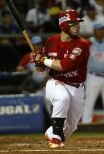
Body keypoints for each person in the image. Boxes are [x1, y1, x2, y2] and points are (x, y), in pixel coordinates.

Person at [32, 9, 89, 148]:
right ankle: (55, 138)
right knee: (62, 98)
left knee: (71, 126)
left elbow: (65, 66)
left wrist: (43, 60)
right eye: (73, 23)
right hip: (56, 82)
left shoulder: (81, 44)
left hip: (77, 87)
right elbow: (44, 63)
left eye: (77, 23)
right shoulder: (51, 41)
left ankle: (51, 132)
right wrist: (40, 64)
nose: (77, 26)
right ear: (64, 25)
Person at [16, 36, 51, 118]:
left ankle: (54, 124)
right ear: (32, 45)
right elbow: (19, 69)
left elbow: (52, 70)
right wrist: (28, 72)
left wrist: (46, 80)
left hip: (47, 86)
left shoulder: (46, 55)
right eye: (36, 45)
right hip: (35, 87)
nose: (38, 46)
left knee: (49, 105)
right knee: (35, 108)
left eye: (39, 44)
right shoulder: (27, 57)